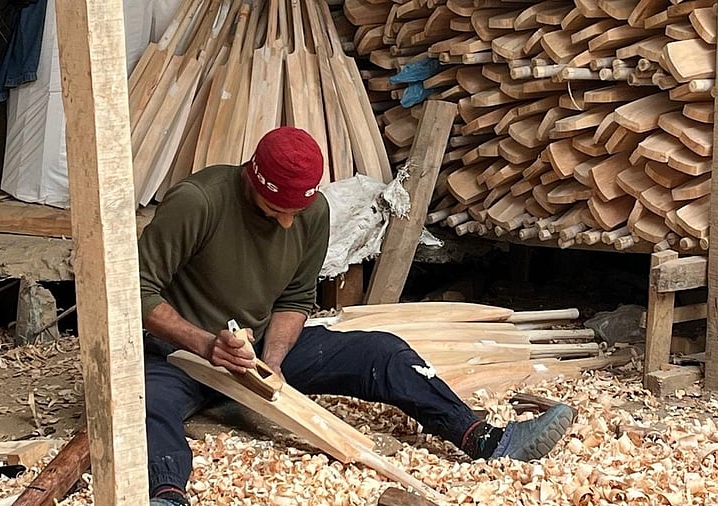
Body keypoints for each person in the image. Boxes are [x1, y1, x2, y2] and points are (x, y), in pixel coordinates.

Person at [139, 126, 575, 505]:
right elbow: (136, 292)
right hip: (179, 355)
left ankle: (483, 437)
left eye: (297, 212)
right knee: (147, 405)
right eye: (276, 212)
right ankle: (167, 494)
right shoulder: (199, 202)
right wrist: (204, 344)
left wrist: (271, 364)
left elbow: (295, 298)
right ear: (253, 181)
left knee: (383, 352)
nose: (289, 225)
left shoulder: (313, 214)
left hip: (254, 352)